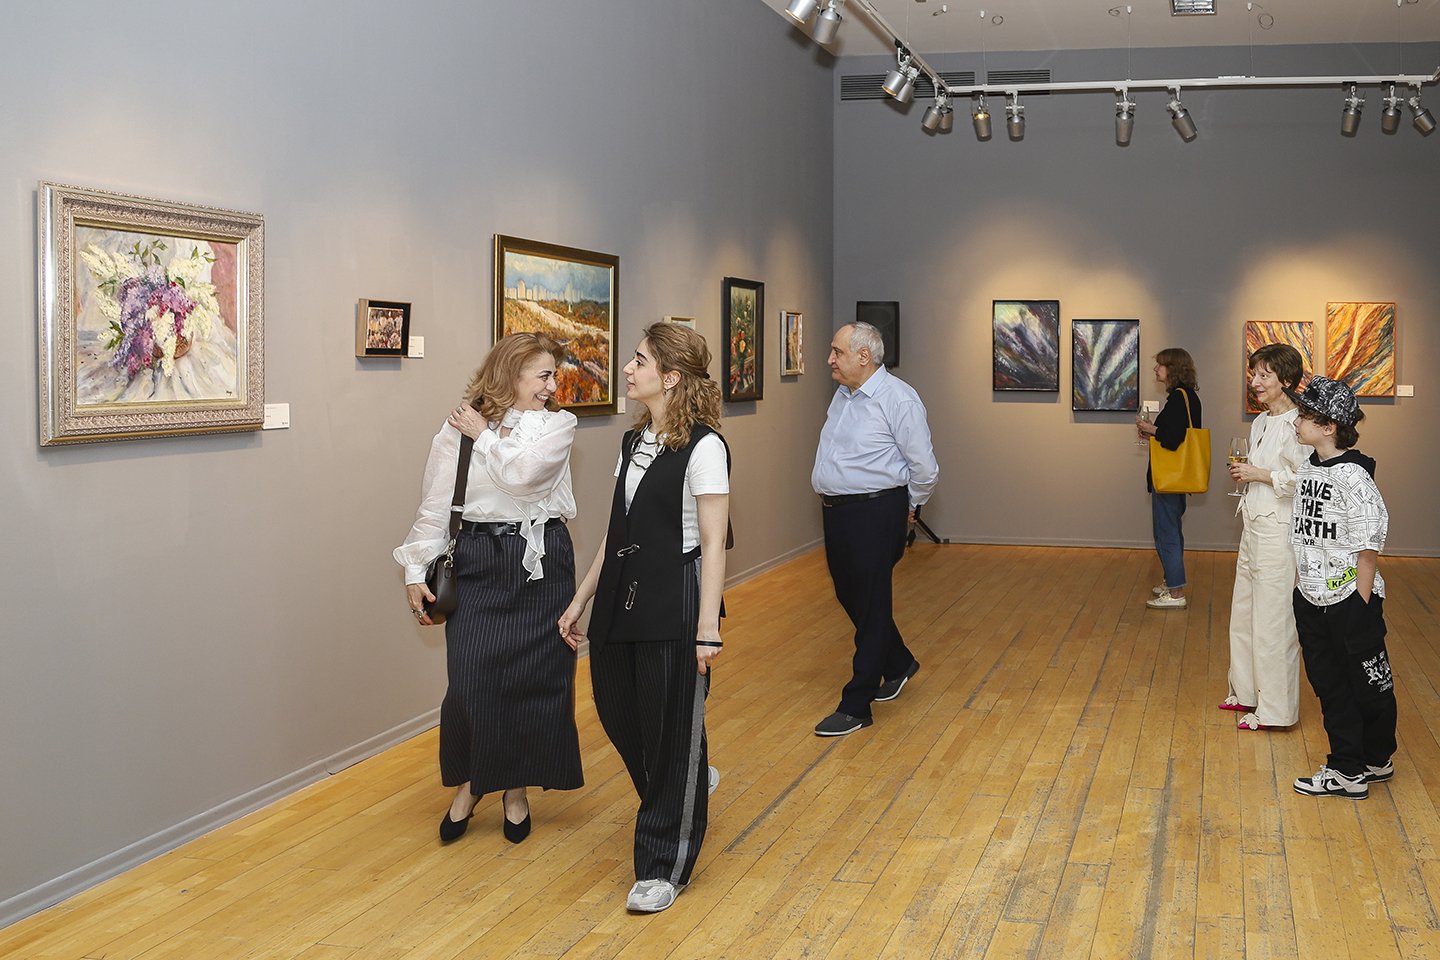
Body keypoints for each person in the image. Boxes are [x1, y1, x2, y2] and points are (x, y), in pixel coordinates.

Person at [558, 322, 730, 914]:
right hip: (619, 596)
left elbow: (713, 542)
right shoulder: (633, 443)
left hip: (674, 598)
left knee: (670, 729)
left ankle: (662, 866)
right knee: (617, 710)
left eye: (638, 361)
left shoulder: (705, 448)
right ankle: (686, 778)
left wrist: (707, 627)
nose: (627, 369)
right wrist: (581, 599)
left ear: (671, 377)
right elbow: (616, 531)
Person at [394, 332, 582, 845]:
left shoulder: (558, 425)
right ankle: (472, 784)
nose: (552, 385)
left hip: (541, 563)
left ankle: (515, 791)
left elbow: (524, 477)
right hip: (477, 558)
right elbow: (437, 503)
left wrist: (484, 436)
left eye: (553, 375)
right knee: (471, 681)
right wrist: (415, 570)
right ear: (510, 375)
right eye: (544, 375)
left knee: (532, 681)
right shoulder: (459, 427)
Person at [810, 321, 938, 737]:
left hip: (876, 511)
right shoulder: (843, 395)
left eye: (837, 352)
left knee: (872, 601)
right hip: (837, 512)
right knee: (851, 595)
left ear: (863, 356)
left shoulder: (899, 399)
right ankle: (898, 662)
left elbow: (924, 467)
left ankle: (857, 703)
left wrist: (909, 507)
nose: (830, 359)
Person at [1288, 376, 1393, 800]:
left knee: (1368, 683)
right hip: (1311, 598)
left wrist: (1359, 604)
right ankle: (1357, 762)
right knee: (1330, 684)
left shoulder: (1354, 477)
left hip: (1349, 600)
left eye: (1304, 415)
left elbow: (1368, 546)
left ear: (1329, 426)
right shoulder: (1308, 468)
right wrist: (1301, 587)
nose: (1296, 421)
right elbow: (1304, 533)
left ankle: (1358, 766)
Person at [1222, 344, 1311, 731]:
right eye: (1254, 374)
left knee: (1274, 622)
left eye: (1264, 375)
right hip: (1252, 526)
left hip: (1279, 532)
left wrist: (1259, 475)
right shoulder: (1260, 422)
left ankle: (1276, 711)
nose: (1255, 382)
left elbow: (1306, 480)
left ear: (1286, 380)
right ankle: (1246, 692)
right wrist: (1247, 475)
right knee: (1243, 613)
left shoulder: (1299, 425)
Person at [1136, 348, 1202, 610]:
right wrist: (1154, 433)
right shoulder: (1187, 396)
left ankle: (1175, 593)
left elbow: (1173, 439)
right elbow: (1177, 434)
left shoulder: (1178, 398)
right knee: (1171, 530)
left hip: (1168, 478)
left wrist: (1150, 428)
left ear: (1173, 368)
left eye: (1160, 365)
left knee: (1166, 533)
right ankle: (1172, 582)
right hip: (1178, 477)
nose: (1156, 369)